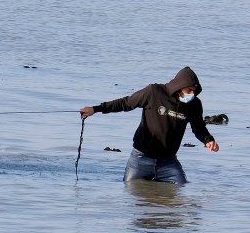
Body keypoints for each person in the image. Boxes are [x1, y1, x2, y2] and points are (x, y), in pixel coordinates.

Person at [79, 66, 219, 184]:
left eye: (194, 91)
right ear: (180, 86)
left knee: (181, 188)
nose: (192, 94)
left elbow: (199, 127)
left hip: (168, 162)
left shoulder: (194, 105)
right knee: (129, 191)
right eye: (189, 90)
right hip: (140, 159)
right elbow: (126, 103)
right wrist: (96, 109)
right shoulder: (154, 92)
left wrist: (208, 140)